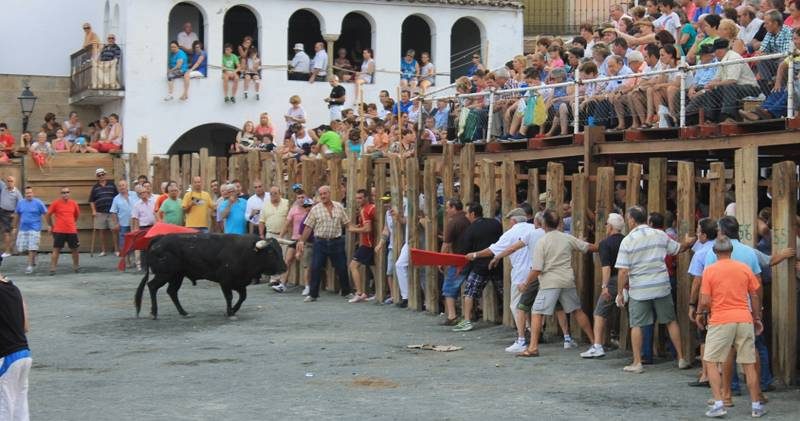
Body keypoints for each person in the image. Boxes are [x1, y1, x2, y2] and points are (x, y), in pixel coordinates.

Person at [615, 205, 694, 373]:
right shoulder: (660, 234)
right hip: (661, 285)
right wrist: (688, 243)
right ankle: (681, 358)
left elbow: (623, 271)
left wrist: (620, 292)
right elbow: (678, 249)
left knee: (636, 324)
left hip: (639, 289)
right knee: (670, 321)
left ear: (632, 220)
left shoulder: (628, 240)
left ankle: (637, 362)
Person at [697, 237, 766, 418]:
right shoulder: (743, 268)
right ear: (731, 251)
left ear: (715, 252)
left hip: (721, 319)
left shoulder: (710, 271)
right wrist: (756, 316)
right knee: (749, 364)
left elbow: (704, 300)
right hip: (744, 318)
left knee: (711, 361)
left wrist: (705, 313)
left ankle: (719, 403)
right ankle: (756, 405)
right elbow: (755, 294)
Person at [515, 209, 598, 357]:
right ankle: (595, 343)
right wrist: (604, 245)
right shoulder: (567, 238)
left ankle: (533, 347)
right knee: (576, 310)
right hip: (567, 280)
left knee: (537, 312)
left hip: (550, 282)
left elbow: (536, 269)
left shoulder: (542, 242)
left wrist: (525, 283)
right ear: (559, 222)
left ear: (543, 224)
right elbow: (587, 247)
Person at [468, 208, 543, 352]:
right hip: (538, 272)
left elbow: (493, 250)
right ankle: (536, 334)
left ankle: (522, 338)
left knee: (517, 305)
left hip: (521, 274)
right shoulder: (535, 229)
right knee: (534, 306)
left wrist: (475, 255)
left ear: (513, 221)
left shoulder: (511, 233)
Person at [451, 203, 503, 332]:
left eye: (467, 213)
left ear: (473, 214)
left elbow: (465, 251)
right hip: (497, 263)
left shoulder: (470, 229)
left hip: (480, 266)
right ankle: (515, 320)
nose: (467, 216)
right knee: (504, 292)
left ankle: (467, 320)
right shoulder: (495, 223)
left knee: (469, 293)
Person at [581, 213, 626, 358]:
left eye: (606, 224)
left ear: (611, 227)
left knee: (599, 313)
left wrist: (604, 286)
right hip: (630, 279)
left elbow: (606, 267)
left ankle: (598, 345)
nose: (605, 226)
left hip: (613, 280)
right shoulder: (627, 240)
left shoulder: (606, 243)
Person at [296, 185, 351, 302]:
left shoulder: (339, 207)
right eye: (320, 194)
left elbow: (347, 223)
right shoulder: (315, 209)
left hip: (336, 241)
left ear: (330, 193)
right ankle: (313, 294)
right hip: (320, 242)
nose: (323, 196)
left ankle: (346, 292)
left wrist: (358, 229)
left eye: (325, 193)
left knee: (342, 267)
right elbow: (308, 227)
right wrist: (301, 241)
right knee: (315, 267)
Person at [686, 217, 718, 387]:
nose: (696, 233)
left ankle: (706, 374)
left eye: (698, 231)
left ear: (704, 235)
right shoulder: (722, 248)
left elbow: (697, 281)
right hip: (722, 299)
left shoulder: (701, 253)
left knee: (704, 337)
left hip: (706, 300)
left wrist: (692, 304)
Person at [0, 270, 31, 421]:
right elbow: (25, 326)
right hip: (24, 353)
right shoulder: (14, 288)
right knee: (20, 407)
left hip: (6, 356)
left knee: (4, 407)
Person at [347, 189, 376, 303]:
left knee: (353, 266)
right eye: (357, 198)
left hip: (367, 244)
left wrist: (354, 229)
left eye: (360, 198)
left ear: (366, 198)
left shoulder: (366, 210)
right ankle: (377, 292)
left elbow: (368, 229)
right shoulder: (371, 208)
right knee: (373, 268)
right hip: (369, 243)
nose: (358, 200)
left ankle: (359, 293)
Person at [258, 186, 290, 290]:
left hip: (284, 234)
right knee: (272, 257)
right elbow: (261, 221)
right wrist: (261, 234)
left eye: (275, 193)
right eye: (271, 193)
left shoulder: (286, 203)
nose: (273, 195)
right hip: (271, 234)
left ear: (280, 193)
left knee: (284, 256)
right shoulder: (265, 205)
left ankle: (282, 279)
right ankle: (273, 279)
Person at [46, 187, 80, 275]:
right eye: (63, 192)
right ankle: (53, 269)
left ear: (69, 193)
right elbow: (48, 214)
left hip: (71, 230)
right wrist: (50, 225)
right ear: (61, 194)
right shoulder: (56, 203)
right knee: (56, 249)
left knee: (75, 249)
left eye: (67, 192)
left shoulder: (74, 203)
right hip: (59, 230)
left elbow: (76, 216)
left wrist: (71, 223)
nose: (65, 194)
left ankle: (76, 267)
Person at [14, 186, 46, 275]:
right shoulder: (21, 203)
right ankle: (34, 257)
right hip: (23, 228)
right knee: (22, 248)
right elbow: (17, 214)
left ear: (33, 193)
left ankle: (29, 266)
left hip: (34, 228)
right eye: (27, 193)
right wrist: (14, 227)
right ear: (25, 194)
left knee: (31, 247)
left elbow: (45, 213)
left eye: (30, 193)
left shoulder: (38, 203)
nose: (29, 194)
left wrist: (49, 226)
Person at [89, 168, 118, 257]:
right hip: (100, 212)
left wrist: (117, 209)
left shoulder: (112, 185)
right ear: (97, 177)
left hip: (111, 212)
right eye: (99, 175)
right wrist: (93, 211)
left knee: (114, 230)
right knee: (101, 232)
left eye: (102, 174)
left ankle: (117, 250)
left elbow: (117, 198)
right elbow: (91, 200)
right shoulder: (95, 187)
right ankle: (103, 250)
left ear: (105, 175)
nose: (101, 176)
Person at [109, 179, 135, 256]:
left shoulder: (135, 194)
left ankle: (137, 260)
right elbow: (113, 212)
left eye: (123, 185)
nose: (121, 187)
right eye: (119, 186)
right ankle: (127, 260)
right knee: (124, 243)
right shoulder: (116, 199)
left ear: (127, 186)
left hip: (135, 223)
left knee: (136, 241)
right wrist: (116, 223)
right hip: (124, 224)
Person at [0, 176, 22, 258]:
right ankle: (8, 250)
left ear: (14, 182)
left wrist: (15, 213)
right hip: (1, 211)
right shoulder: (3, 188)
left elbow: (21, 204)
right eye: (8, 181)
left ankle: (9, 251)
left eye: (11, 181)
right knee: (6, 232)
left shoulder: (17, 193)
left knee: (9, 232)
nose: (9, 182)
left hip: (10, 214)